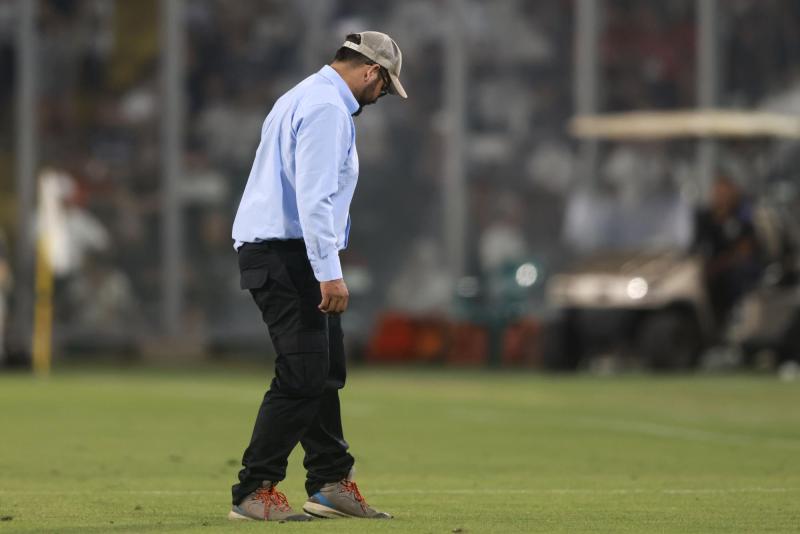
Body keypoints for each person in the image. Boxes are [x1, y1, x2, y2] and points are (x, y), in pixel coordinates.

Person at [228, 31, 407, 522]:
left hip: (282, 251)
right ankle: (254, 490)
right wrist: (329, 273)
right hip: (288, 256)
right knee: (303, 374)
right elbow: (315, 197)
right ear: (371, 71)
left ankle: (330, 483)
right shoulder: (329, 108)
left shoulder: (301, 94)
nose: (382, 95)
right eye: (386, 86)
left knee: (323, 372)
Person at [692, 175, 762, 327]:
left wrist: (720, 265)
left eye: (725, 192)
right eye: (717, 193)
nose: (721, 196)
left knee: (740, 273)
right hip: (711, 265)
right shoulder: (704, 217)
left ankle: (737, 316)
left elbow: (745, 249)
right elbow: (696, 245)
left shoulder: (742, 216)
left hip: (735, 265)